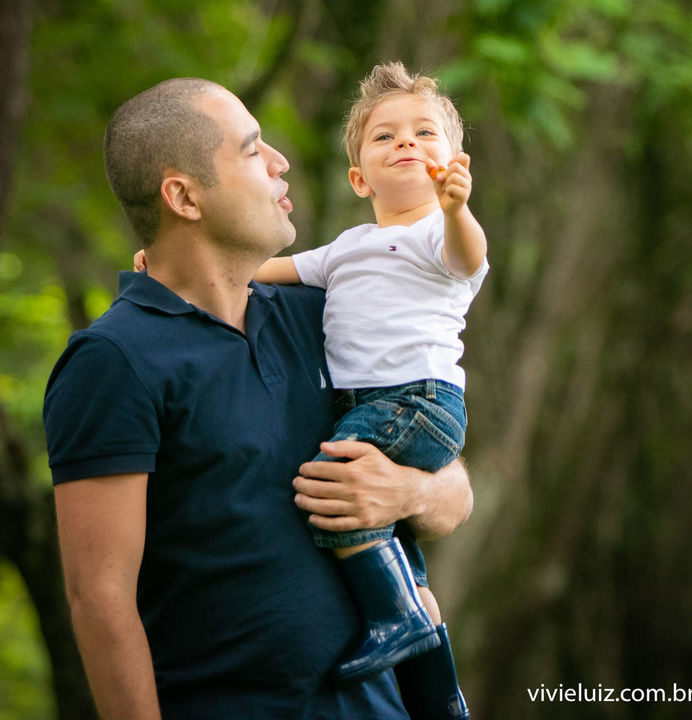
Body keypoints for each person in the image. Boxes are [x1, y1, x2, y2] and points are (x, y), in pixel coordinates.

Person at [43, 77, 473, 720]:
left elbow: (454, 491)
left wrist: (408, 493)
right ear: (183, 197)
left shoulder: (324, 315)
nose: (281, 162)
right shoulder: (115, 360)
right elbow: (100, 599)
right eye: (252, 150)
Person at [253, 62, 488, 718]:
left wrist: (457, 209)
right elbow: (260, 270)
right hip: (370, 406)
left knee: (338, 482)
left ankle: (395, 619)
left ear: (450, 160)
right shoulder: (346, 248)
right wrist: (172, 268)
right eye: (385, 138)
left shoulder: (440, 235)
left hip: (419, 402)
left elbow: (469, 259)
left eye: (424, 133)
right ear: (360, 178)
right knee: (399, 551)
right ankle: (440, 697)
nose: (406, 142)